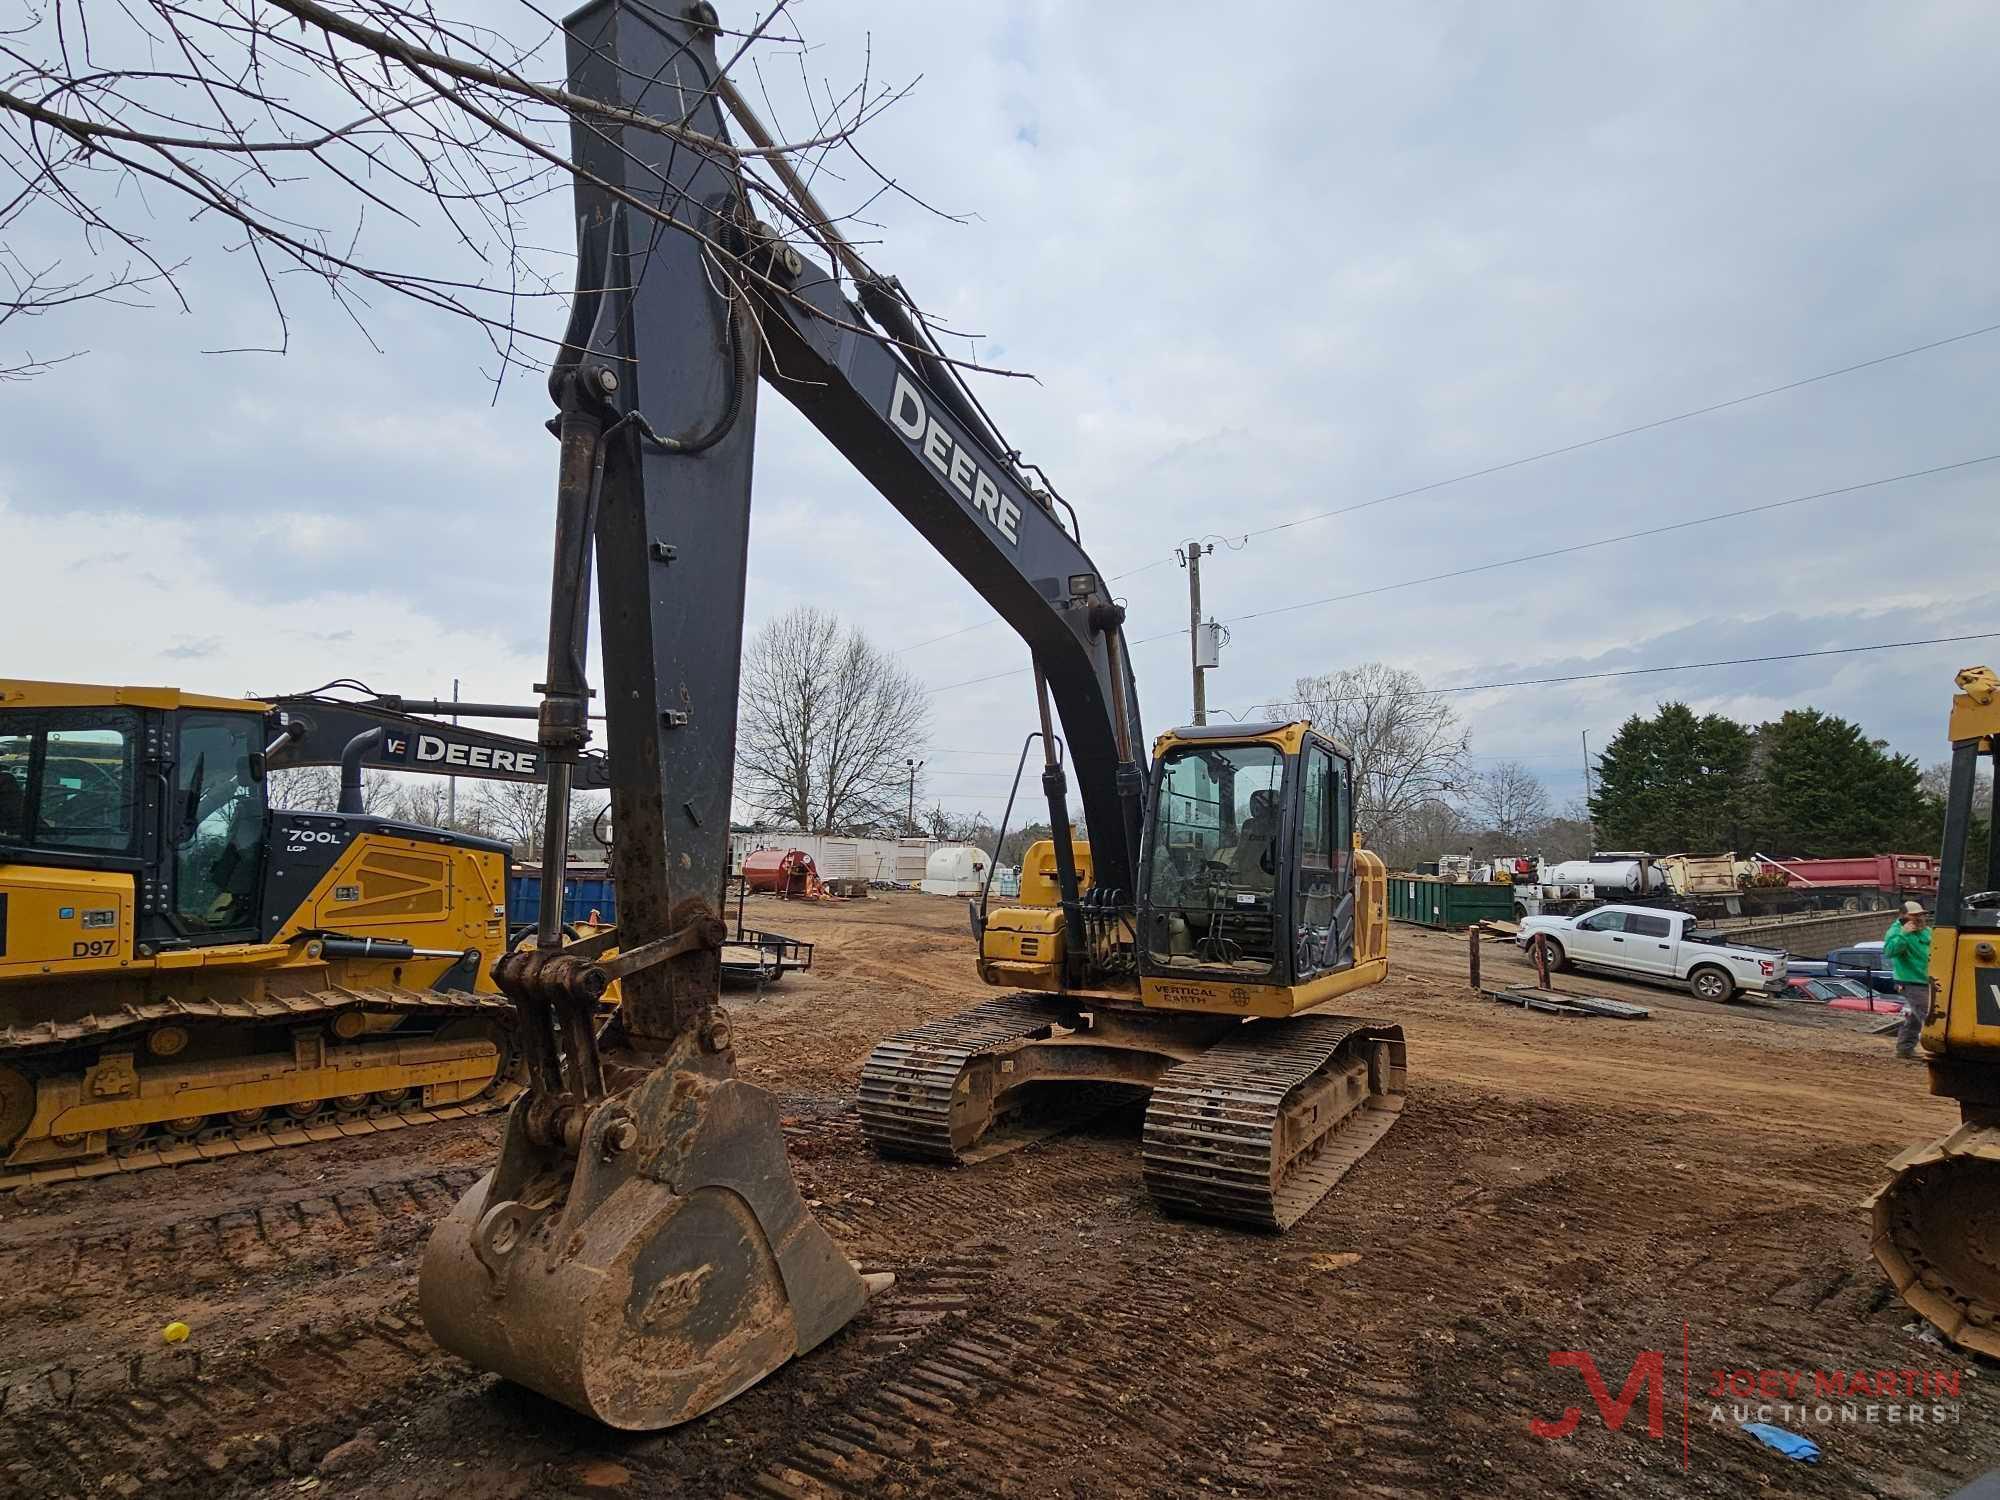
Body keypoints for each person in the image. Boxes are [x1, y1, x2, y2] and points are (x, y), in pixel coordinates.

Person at [1883, 900, 1933, 1059]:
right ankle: (1940, 1049)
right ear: (1903, 916)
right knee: (1929, 1015)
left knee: (1914, 1018)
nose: (1919, 918)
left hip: (1927, 980)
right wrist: (1904, 935)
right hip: (1910, 981)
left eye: (1921, 915)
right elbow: (1890, 952)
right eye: (1914, 915)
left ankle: (1904, 1049)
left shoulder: (1926, 931)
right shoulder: (1896, 932)